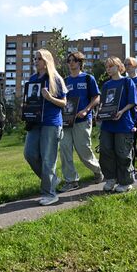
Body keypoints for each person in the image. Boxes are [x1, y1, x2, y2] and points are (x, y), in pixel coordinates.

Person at [23, 49, 67, 205]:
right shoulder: (33, 79)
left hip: (51, 123)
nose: (36, 61)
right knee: (29, 154)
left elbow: (64, 103)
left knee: (48, 159)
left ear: (46, 60)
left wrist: (49, 97)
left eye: (39, 58)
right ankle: (52, 180)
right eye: (35, 58)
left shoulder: (56, 79)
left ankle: (50, 194)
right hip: (35, 123)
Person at [59, 52, 103, 193]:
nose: (71, 62)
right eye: (69, 60)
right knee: (65, 149)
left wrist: (86, 110)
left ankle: (98, 170)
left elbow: (96, 98)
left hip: (83, 120)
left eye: (74, 60)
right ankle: (71, 180)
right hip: (66, 122)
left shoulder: (88, 78)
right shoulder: (64, 81)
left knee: (83, 150)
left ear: (80, 63)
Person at [98, 56, 137, 193]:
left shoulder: (127, 82)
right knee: (105, 150)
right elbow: (103, 104)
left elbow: (133, 101)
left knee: (122, 152)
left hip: (123, 123)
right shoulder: (106, 85)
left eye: (111, 66)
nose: (108, 69)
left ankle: (126, 182)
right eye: (106, 67)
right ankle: (111, 178)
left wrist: (121, 111)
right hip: (107, 124)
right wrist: (100, 113)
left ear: (119, 66)